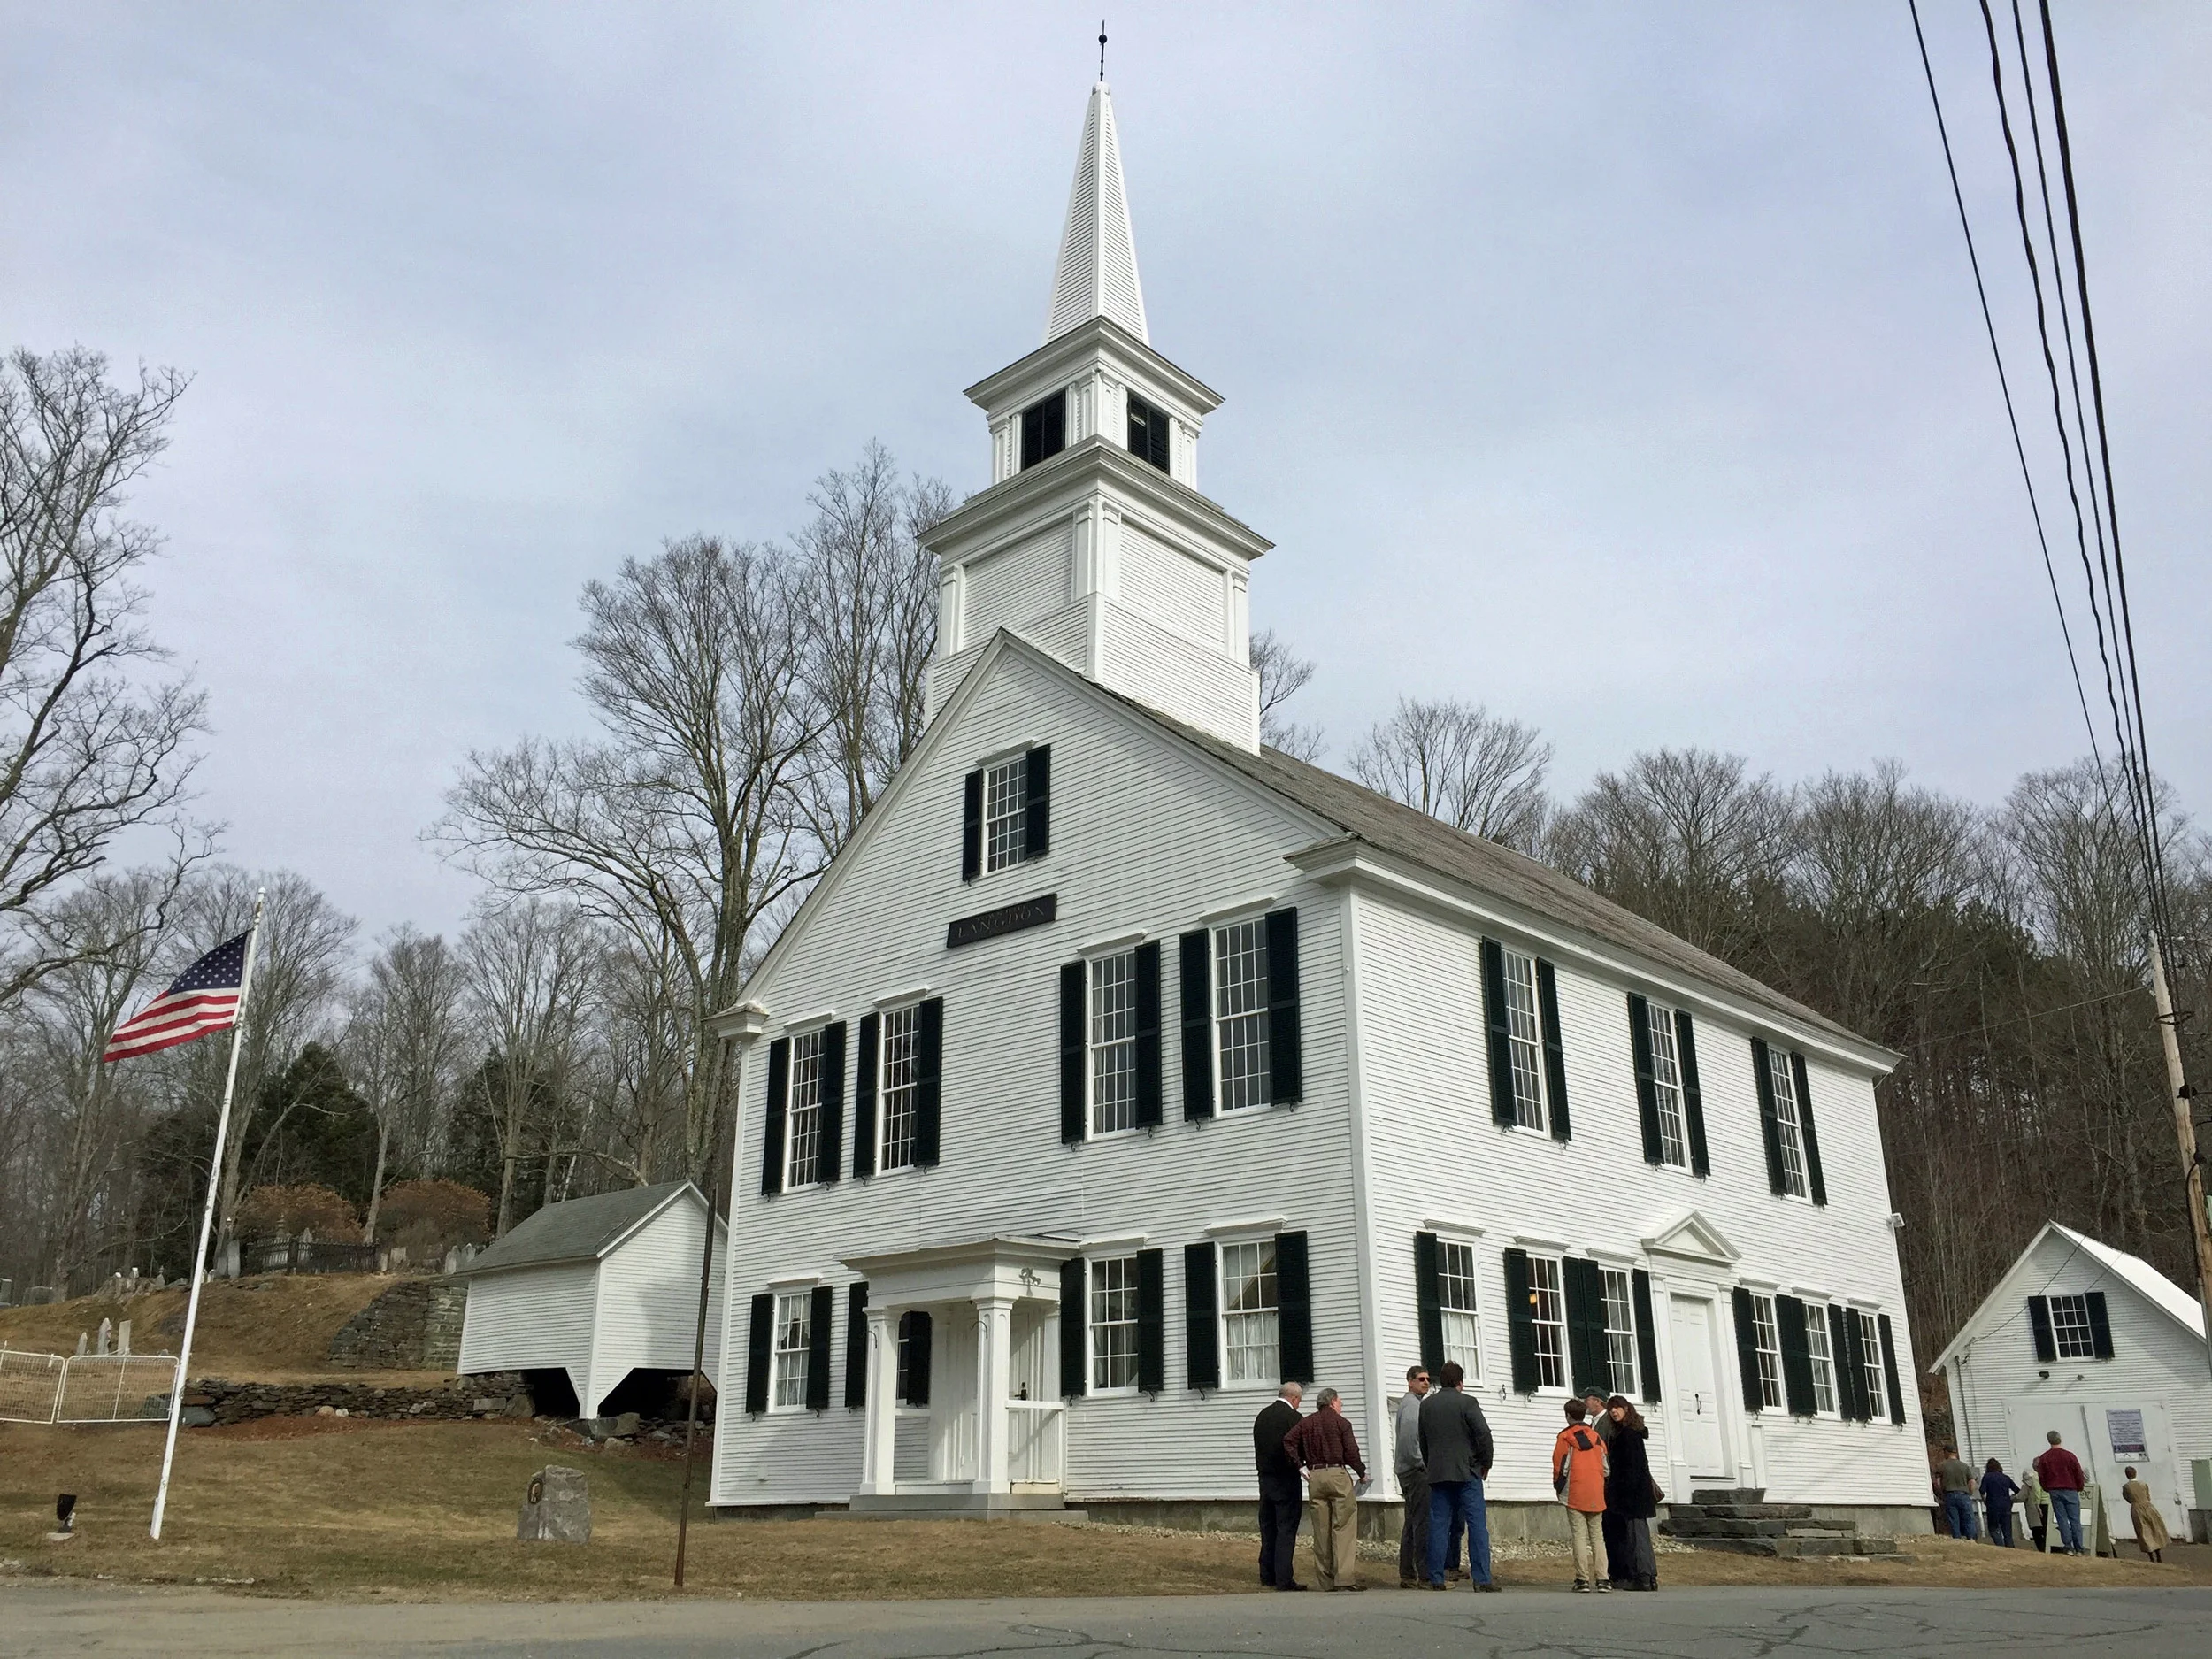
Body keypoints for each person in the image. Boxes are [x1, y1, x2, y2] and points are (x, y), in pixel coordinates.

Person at [1418, 1361, 1497, 1592]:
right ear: (1460, 1382)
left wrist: (1430, 1463)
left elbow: (1423, 1440)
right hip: (1467, 1471)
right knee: (1476, 1525)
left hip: (1439, 1472)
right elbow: (1483, 1435)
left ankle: (1436, 1577)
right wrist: (1485, 1463)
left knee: (1438, 1524)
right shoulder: (1468, 1403)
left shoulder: (1427, 1405)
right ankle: (1482, 1578)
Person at [1283, 1386, 1368, 1592]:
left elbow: (1288, 1441)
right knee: (1344, 1526)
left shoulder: (1306, 1423)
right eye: (1340, 1402)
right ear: (1332, 1402)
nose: (1341, 1406)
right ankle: (1344, 1577)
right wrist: (1361, 1472)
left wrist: (1300, 1465)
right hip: (1337, 1473)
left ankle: (1325, 1580)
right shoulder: (1342, 1423)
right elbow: (1351, 1452)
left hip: (1315, 1476)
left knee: (1321, 1529)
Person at [1252, 1382, 1305, 1590]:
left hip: (1265, 1478)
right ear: (1294, 1399)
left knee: (1268, 1527)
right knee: (1286, 1528)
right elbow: (1298, 1447)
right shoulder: (1293, 1419)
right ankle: (1284, 1578)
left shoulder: (1262, 1416)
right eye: (1299, 1401)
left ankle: (1267, 1574)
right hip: (1286, 1479)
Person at [1603, 1395, 1660, 1591]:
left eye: (1618, 1408)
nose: (1614, 1412)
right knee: (1640, 1534)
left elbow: (1631, 1468)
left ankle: (1643, 1577)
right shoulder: (1630, 1433)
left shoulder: (1627, 1435)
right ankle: (1649, 1577)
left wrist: (1622, 1494)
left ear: (1627, 1409)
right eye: (1611, 1409)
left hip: (1632, 1495)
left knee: (1636, 1537)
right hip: (1636, 1493)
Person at [1552, 1399, 1609, 1593]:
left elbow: (1560, 1466)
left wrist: (1558, 1487)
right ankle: (1603, 1579)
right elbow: (1606, 1468)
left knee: (1579, 1536)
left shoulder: (1565, 1437)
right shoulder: (1597, 1437)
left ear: (1568, 1415)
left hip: (1575, 1491)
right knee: (1598, 1537)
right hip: (1596, 1491)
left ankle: (1582, 1580)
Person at [1394, 1364, 1432, 1589]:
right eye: (1420, 1379)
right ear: (1410, 1381)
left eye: (1427, 1379)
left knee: (1411, 1522)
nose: (1425, 1382)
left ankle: (1407, 1573)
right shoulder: (1411, 1406)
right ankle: (1424, 1574)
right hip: (1415, 1472)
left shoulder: (1412, 1404)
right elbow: (1409, 1439)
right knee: (1422, 1522)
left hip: (1406, 1470)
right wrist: (1422, 1463)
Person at [1585, 1388, 1624, 1586]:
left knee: (1608, 1528)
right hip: (1598, 1480)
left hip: (1607, 1480)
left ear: (1598, 1402)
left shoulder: (1606, 1423)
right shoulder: (1593, 1424)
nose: (1585, 1403)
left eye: (1588, 1399)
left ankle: (1612, 1572)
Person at [2032, 1430, 2086, 1555]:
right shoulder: (2069, 1456)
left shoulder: (2045, 1457)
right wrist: (2079, 1487)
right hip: (2070, 1489)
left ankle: (2068, 1547)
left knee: (2062, 1519)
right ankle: (2079, 1548)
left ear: (2049, 1440)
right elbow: (2078, 1473)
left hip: (2054, 1491)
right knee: (2075, 1520)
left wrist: (2047, 1488)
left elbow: (2042, 1476)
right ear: (2060, 1439)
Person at [2119, 1466, 2169, 1563]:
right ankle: (2159, 1554)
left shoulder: (2126, 1487)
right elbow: (2148, 1496)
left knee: (2143, 1532)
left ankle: (2151, 1557)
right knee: (2154, 1528)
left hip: (2136, 1509)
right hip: (2148, 1507)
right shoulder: (2143, 1484)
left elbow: (2127, 1498)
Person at [1934, 1446, 1978, 1540]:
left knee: (1954, 1520)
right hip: (1964, 1495)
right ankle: (1971, 1540)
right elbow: (1972, 1482)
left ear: (1946, 1452)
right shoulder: (1964, 1466)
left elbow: (1938, 1483)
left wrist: (1941, 1493)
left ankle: (1957, 1540)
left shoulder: (1941, 1466)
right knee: (1968, 1519)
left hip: (1950, 1494)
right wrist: (1970, 1492)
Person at [1979, 1459, 2018, 1548]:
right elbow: (2017, 1490)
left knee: (1993, 1529)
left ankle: (2000, 1546)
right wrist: (2011, 1499)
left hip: (1993, 1505)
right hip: (2006, 1506)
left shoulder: (1987, 1477)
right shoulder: (2006, 1478)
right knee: (2007, 1531)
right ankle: (2011, 1548)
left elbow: (1982, 1490)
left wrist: (1984, 1500)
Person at [2020, 1463, 2049, 1553]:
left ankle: (2042, 1550)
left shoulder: (2027, 1485)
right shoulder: (2041, 1480)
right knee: (2045, 1530)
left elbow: (2021, 1496)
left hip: (2033, 1510)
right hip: (2045, 1506)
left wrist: (2011, 1498)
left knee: (2036, 1532)